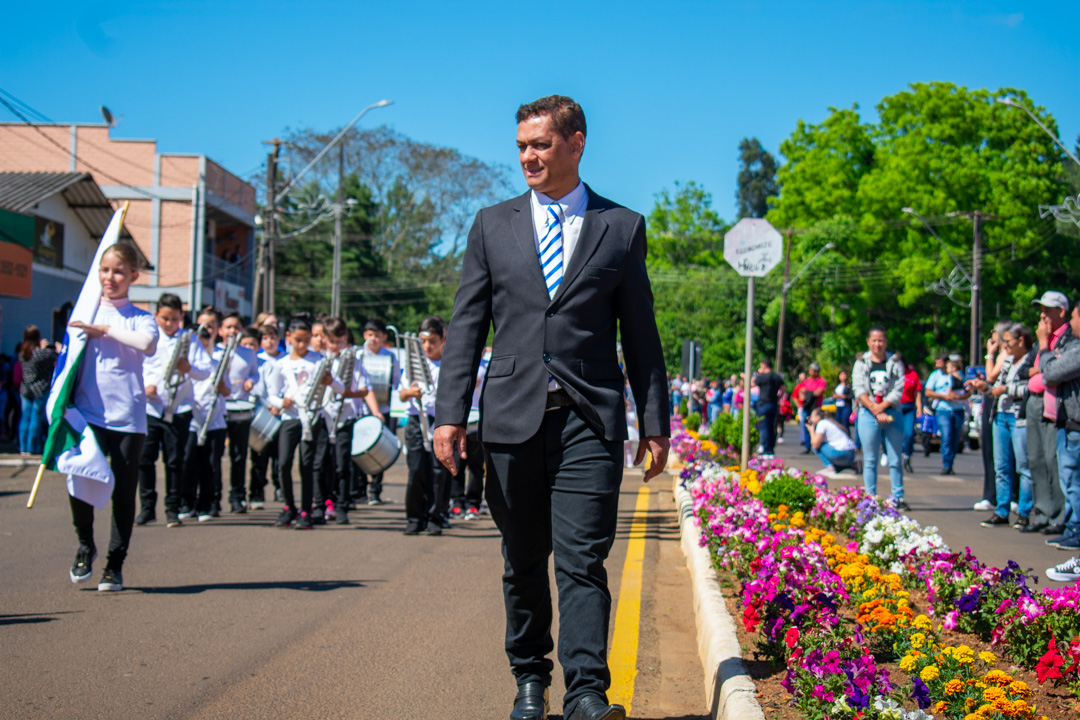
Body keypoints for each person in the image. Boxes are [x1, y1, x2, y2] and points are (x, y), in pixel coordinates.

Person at [432, 95, 669, 720]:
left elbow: (640, 333)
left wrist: (655, 422)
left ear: (576, 142)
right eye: (521, 146)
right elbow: (466, 326)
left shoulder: (621, 226)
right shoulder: (491, 223)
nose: (528, 157)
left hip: (589, 417)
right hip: (510, 419)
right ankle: (530, 681)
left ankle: (588, 691)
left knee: (583, 558)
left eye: (539, 143)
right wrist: (449, 414)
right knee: (522, 559)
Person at [66, 243, 159, 592]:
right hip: (87, 413)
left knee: (123, 491)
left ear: (133, 276)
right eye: (105, 270)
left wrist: (103, 330)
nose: (110, 277)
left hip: (128, 418)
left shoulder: (140, 317)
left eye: (119, 271)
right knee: (79, 477)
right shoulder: (84, 310)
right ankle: (85, 544)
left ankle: (114, 564)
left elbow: (147, 344)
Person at [138, 293, 211, 527]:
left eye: (174, 319)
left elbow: (205, 371)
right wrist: (144, 386)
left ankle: (173, 507)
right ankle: (147, 507)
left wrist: (188, 367)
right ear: (157, 315)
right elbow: (136, 367)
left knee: (175, 460)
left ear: (181, 317)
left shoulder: (189, 340)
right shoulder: (149, 338)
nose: (169, 324)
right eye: (164, 318)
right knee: (145, 459)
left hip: (179, 408)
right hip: (152, 408)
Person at [266, 317, 339, 529]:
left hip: (311, 419)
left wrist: (330, 381)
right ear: (288, 338)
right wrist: (281, 401)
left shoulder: (319, 360)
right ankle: (289, 507)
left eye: (306, 340)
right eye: (298, 340)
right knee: (283, 463)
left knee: (307, 465)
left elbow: (337, 386)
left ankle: (307, 510)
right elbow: (271, 394)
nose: (302, 344)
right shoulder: (282, 364)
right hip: (290, 418)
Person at [973, 324, 1035, 528]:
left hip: (1019, 418)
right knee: (1001, 466)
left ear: (1021, 341)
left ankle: (1024, 512)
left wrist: (1006, 389)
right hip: (1000, 415)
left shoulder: (1032, 360)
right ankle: (1001, 511)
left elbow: (1033, 387)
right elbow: (995, 388)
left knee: (1023, 466)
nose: (1004, 345)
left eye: (1007, 341)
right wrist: (985, 388)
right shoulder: (1008, 361)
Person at [180, 307, 235, 523]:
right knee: (188, 461)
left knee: (210, 464)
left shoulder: (217, 362)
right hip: (192, 418)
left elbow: (227, 390)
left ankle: (207, 504)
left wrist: (221, 384)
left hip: (214, 420)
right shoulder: (186, 363)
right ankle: (186, 502)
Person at [1025, 291, 1071, 536]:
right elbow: (1027, 369)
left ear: (1061, 312)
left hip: (1055, 404)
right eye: (1040, 310)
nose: (1042, 316)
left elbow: (1049, 370)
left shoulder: (1068, 338)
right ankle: (1042, 513)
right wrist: (1040, 362)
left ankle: (1059, 516)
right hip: (1034, 402)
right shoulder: (1040, 340)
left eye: (1047, 310)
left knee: (1054, 462)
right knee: (1036, 459)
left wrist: (1043, 351)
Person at [399, 316, 449, 535]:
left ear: (442, 341)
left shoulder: (448, 365)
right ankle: (414, 517)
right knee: (417, 469)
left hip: (438, 422)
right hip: (415, 422)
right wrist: (411, 392)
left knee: (438, 471)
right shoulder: (412, 364)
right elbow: (402, 394)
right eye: (423, 341)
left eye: (432, 341)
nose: (427, 346)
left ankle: (436, 516)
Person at [1037, 299, 1080, 553]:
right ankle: (1073, 527)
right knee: (1069, 479)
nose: (1072, 323)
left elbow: (1048, 373)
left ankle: (1076, 529)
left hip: (1075, 425)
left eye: (1075, 317)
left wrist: (1044, 346)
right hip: (1068, 423)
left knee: (1073, 480)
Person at [319, 317, 369, 525]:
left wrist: (341, 389)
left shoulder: (353, 361)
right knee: (322, 463)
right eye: (332, 342)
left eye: (339, 341)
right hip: (323, 417)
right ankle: (322, 503)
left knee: (342, 465)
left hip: (344, 418)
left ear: (346, 339)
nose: (336, 346)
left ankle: (342, 505)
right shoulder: (320, 360)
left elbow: (364, 390)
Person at [853, 326, 907, 509]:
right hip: (868, 414)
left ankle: (898, 496)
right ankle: (870, 496)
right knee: (870, 459)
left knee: (895, 458)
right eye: (874, 340)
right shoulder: (861, 362)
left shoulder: (895, 361)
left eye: (881, 340)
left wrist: (883, 407)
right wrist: (874, 409)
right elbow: (858, 388)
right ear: (868, 342)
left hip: (892, 412)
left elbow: (899, 388)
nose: (878, 344)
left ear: (886, 342)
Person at [356, 318, 400, 506]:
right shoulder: (358, 355)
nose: (373, 339)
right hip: (362, 410)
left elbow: (397, 383)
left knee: (381, 449)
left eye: (377, 335)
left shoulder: (391, 357)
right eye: (370, 335)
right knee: (360, 448)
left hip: (385, 410)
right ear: (365, 336)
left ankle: (375, 489)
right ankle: (358, 489)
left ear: (384, 337)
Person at [249, 322, 283, 508]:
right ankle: (257, 492)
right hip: (259, 413)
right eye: (265, 338)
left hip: (279, 413)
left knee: (279, 456)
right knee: (258, 455)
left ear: (279, 340)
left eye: (272, 338)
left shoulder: (284, 359)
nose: (269, 342)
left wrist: (277, 405)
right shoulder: (257, 359)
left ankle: (280, 488)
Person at [17, 325, 57, 456]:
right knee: (35, 418)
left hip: (25, 389)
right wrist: (46, 347)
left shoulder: (22, 352)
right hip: (39, 389)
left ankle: (23, 447)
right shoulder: (39, 353)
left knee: (25, 418)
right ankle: (32, 447)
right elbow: (54, 356)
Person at [925, 356, 968, 475]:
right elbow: (928, 392)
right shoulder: (935, 375)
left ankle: (951, 462)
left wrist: (958, 397)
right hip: (943, 410)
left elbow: (967, 391)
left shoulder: (959, 374)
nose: (937, 363)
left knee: (955, 438)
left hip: (958, 409)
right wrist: (944, 396)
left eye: (940, 361)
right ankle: (946, 464)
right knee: (946, 436)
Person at [808, 407, 857, 474]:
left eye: (812, 416)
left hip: (841, 454)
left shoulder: (822, 423)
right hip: (851, 454)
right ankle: (853, 465)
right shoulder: (830, 422)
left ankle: (829, 467)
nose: (810, 418)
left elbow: (815, 444)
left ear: (818, 417)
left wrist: (811, 431)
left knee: (816, 447)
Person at [752, 358, 784, 458]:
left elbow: (752, 383)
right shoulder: (776, 376)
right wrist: (778, 398)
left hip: (763, 404)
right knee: (772, 427)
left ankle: (766, 449)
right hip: (773, 403)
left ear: (764, 365)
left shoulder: (762, 377)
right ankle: (771, 450)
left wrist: (758, 374)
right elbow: (783, 389)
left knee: (764, 427)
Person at [896, 355, 923, 474]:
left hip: (908, 407)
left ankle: (907, 456)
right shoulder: (893, 374)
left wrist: (919, 407)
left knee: (909, 433)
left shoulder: (912, 374)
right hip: (895, 407)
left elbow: (918, 392)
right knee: (894, 434)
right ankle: (893, 455)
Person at [831, 369, 853, 435]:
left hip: (846, 406)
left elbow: (851, 396)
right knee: (838, 423)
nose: (843, 376)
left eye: (844, 375)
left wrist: (841, 396)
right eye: (841, 375)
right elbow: (834, 395)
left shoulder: (848, 386)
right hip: (838, 406)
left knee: (845, 423)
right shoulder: (837, 386)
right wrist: (835, 396)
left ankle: (847, 438)